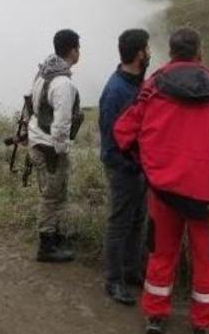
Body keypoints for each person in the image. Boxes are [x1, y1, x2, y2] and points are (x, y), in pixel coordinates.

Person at [113, 28, 209, 334]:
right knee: (207, 260)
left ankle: (155, 315)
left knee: (161, 254)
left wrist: (148, 166)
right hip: (208, 195)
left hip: (163, 191)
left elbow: (123, 132)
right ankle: (204, 324)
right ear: (199, 51)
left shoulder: (152, 87)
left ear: (172, 52)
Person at [98, 29, 151, 306]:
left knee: (137, 220)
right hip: (123, 169)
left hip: (138, 168)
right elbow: (109, 141)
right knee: (119, 224)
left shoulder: (137, 84)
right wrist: (129, 165)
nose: (150, 53)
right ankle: (113, 280)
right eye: (147, 48)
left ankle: (131, 271)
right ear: (139, 53)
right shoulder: (116, 91)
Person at [27, 29, 85, 263]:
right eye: (78, 48)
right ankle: (47, 246)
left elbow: (31, 104)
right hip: (50, 147)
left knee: (55, 194)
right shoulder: (62, 83)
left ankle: (57, 237)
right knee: (52, 196)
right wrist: (61, 151)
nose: (79, 53)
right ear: (73, 50)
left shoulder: (43, 73)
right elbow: (62, 123)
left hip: (38, 141)